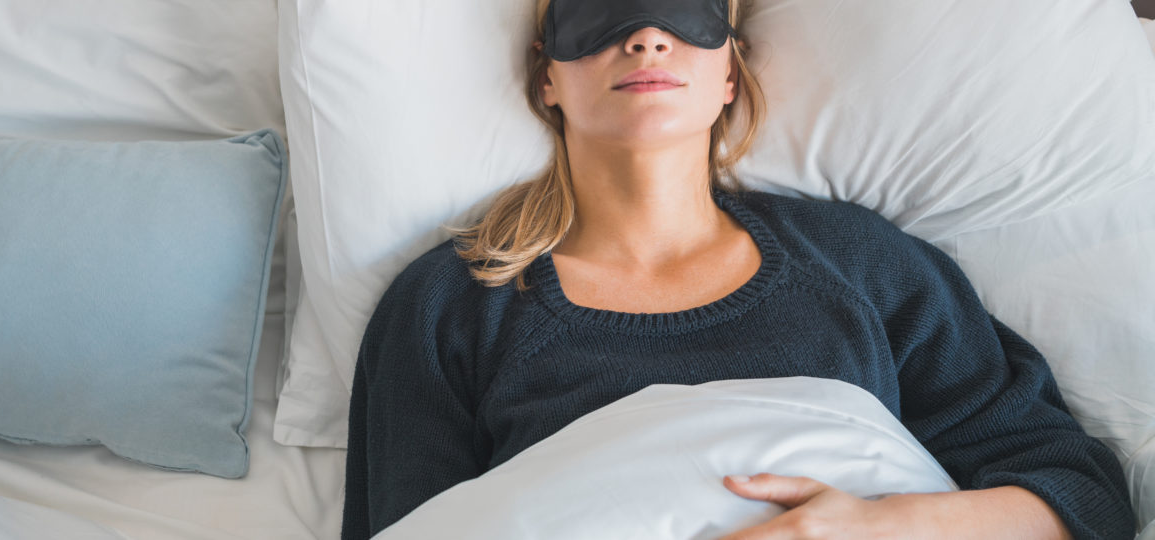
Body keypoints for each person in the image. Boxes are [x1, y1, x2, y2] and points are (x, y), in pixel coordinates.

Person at [340, 0, 1136, 538]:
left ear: (729, 73)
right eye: (600, 13)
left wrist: (877, 524)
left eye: (685, 16)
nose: (647, 38)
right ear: (548, 76)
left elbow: (1078, 496)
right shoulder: (450, 303)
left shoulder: (859, 263)